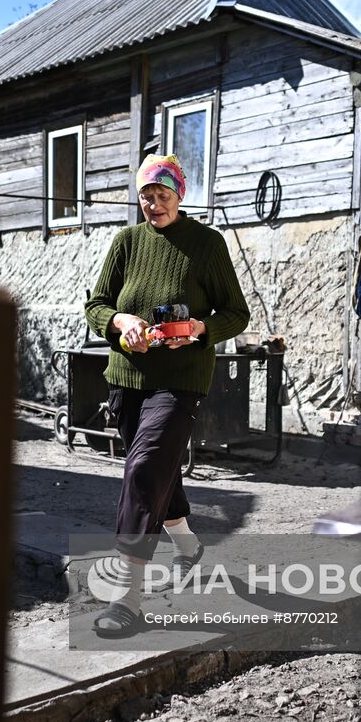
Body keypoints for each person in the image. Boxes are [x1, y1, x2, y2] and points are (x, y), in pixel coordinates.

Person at [83, 154, 250, 636]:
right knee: (159, 471)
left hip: (181, 380)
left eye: (162, 194)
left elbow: (236, 313)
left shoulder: (207, 244)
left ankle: (127, 598)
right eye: (145, 195)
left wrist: (200, 328)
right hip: (128, 378)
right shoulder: (126, 242)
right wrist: (120, 322)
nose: (153, 203)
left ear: (179, 195)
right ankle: (188, 546)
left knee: (144, 467)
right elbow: (96, 304)